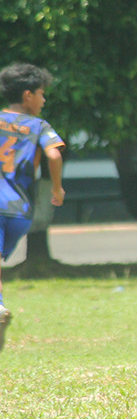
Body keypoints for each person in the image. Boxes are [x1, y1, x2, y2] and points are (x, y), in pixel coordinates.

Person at [0, 62, 65, 353]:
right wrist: (56, 187)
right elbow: (53, 154)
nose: (44, 99)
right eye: (41, 93)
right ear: (28, 95)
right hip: (20, 211)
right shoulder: (40, 126)